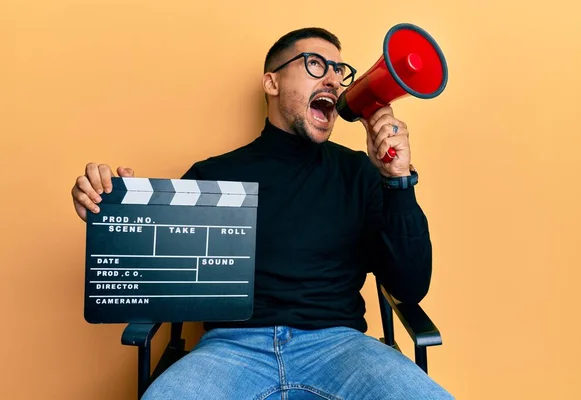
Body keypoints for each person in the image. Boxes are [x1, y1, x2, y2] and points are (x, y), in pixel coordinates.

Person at [71, 27, 453, 400]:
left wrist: (398, 180)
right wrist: (109, 215)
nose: (334, 81)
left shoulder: (361, 174)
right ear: (271, 83)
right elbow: (159, 275)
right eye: (316, 64)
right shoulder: (212, 175)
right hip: (230, 351)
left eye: (339, 70)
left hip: (339, 347)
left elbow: (409, 288)